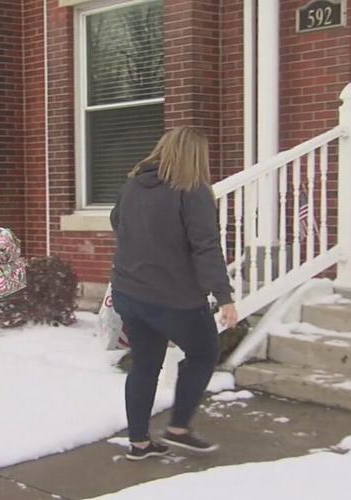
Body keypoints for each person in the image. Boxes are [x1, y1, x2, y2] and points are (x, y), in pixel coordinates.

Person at [110, 127, 239, 461]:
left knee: (145, 365)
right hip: (175, 300)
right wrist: (223, 296)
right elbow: (205, 247)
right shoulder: (191, 190)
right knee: (203, 353)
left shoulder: (133, 184)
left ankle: (138, 443)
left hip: (131, 293)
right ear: (196, 156)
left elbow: (116, 222)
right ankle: (178, 428)